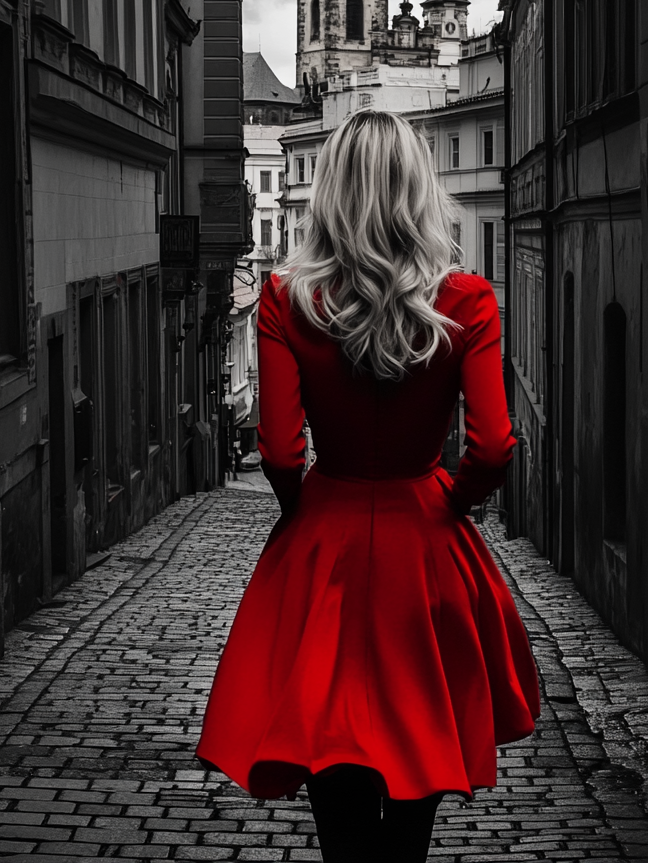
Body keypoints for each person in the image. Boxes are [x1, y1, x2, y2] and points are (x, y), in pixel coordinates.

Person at [195, 110, 540, 861]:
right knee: (417, 767)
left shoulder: (287, 300)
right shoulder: (470, 300)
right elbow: (493, 446)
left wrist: (309, 514)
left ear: (332, 196)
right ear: (419, 190)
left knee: (333, 761)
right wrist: (447, 503)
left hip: (329, 542)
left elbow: (282, 452)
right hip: (428, 546)